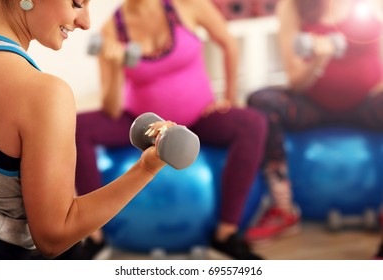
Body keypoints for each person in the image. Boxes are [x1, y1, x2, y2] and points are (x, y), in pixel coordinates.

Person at [75, 0, 268, 260]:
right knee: (79, 127)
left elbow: (229, 44)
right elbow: (111, 107)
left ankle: (226, 234)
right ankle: (93, 236)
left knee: (253, 123)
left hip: (199, 117)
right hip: (142, 126)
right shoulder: (112, 29)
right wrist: (116, 64)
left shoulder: (188, 5)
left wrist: (229, 99)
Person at [0, 0, 177, 260]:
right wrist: (147, 168)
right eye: (77, 3)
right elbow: (53, 238)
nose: (86, 22)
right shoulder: (43, 94)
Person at [246, 0, 383, 257]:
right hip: (312, 105)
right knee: (261, 101)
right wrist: (319, 60)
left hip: (365, 103)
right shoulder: (292, 6)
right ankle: (283, 209)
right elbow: (295, 81)